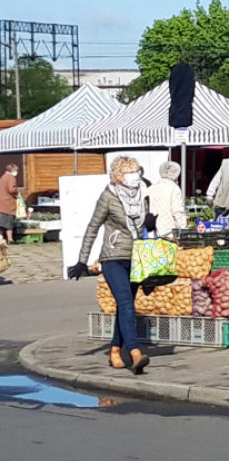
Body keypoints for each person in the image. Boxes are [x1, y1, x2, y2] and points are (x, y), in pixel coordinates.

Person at [67, 156, 152, 375]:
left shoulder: (143, 193)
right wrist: (82, 261)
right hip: (113, 257)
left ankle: (115, 351)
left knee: (126, 306)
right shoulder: (108, 196)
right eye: (130, 172)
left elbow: (145, 224)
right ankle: (134, 352)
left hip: (136, 257)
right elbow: (92, 228)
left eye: (136, 170)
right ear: (118, 176)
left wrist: (150, 224)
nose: (135, 175)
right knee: (125, 304)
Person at [147, 161, 186, 238]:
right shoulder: (174, 188)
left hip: (152, 229)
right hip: (169, 229)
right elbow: (177, 211)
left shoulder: (150, 188)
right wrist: (182, 227)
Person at [0, 164, 19, 243]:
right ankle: (10, 239)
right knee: (9, 222)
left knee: (1, 222)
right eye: (16, 170)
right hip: (8, 202)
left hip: (1, 202)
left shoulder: (3, 177)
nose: (17, 172)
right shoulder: (11, 178)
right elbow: (11, 189)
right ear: (12, 170)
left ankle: (0, 238)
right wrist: (17, 191)